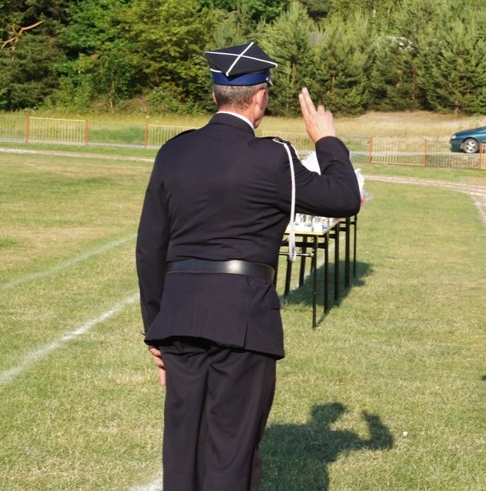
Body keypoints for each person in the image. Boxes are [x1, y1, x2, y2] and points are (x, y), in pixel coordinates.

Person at [136, 41, 361, 490]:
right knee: (230, 452)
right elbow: (344, 198)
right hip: (241, 320)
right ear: (260, 97)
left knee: (182, 451)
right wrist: (326, 139)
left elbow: (149, 249)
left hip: (178, 318)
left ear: (216, 94)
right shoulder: (273, 156)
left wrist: (155, 329)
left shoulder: (173, 152)